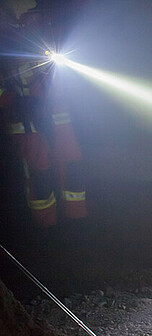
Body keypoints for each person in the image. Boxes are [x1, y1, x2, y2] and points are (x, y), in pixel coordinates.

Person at [0, 3, 87, 228]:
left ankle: (78, 223)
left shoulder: (43, 14)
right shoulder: (5, 23)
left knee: (72, 164)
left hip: (59, 111)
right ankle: (45, 229)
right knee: (39, 171)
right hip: (24, 117)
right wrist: (13, 101)